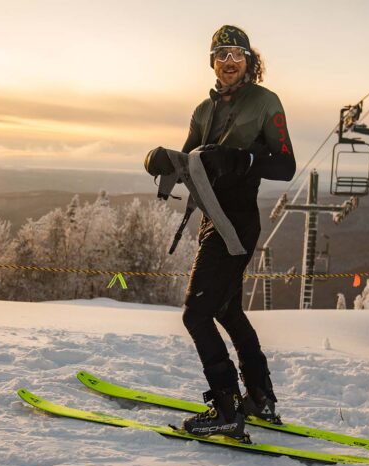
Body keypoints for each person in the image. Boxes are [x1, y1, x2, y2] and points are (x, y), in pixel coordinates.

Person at [143, 25, 295, 440]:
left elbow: (285, 166)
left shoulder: (265, 103)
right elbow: (190, 160)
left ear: (249, 61)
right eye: (222, 53)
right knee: (227, 311)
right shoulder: (202, 111)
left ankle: (226, 407)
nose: (229, 61)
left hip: (236, 222)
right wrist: (157, 158)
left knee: (196, 313)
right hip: (212, 218)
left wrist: (241, 159)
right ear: (212, 62)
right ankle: (260, 398)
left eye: (237, 54)